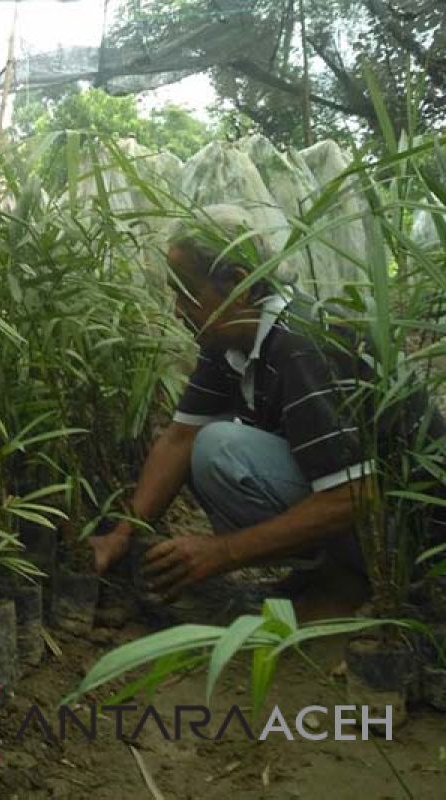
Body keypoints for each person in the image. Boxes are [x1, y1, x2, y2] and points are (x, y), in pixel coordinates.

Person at [88, 204, 446, 615]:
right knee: (206, 443)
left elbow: (354, 495)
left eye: (186, 293)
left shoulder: (302, 344)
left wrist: (221, 553)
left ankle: (354, 581)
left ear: (240, 287)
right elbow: (178, 438)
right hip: (368, 510)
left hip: (413, 534)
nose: (177, 310)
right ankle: (327, 573)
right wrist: (121, 536)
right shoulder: (228, 338)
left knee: (222, 447)